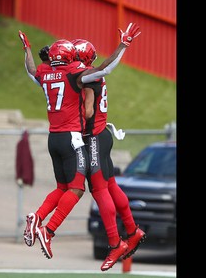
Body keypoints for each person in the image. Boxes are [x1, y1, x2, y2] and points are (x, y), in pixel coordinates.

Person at [18, 22, 140, 263]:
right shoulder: (77, 73)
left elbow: (34, 72)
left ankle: (123, 236)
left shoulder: (50, 73)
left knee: (90, 188)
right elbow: (102, 72)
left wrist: (28, 50)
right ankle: (123, 235)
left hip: (67, 136)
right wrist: (123, 46)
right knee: (91, 188)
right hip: (84, 136)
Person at [72, 38, 146, 271]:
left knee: (100, 190)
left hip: (94, 136)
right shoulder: (94, 75)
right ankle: (133, 230)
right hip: (103, 135)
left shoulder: (88, 79)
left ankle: (116, 242)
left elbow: (89, 109)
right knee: (112, 186)